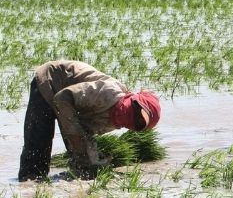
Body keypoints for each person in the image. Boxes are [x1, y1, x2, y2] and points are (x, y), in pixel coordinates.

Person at [18, 60, 161, 181]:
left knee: (83, 164)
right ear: (133, 99)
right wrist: (75, 134)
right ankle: (28, 185)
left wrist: (92, 159)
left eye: (139, 123)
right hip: (49, 81)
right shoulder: (108, 93)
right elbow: (62, 98)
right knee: (38, 146)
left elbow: (86, 131)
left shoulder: (114, 121)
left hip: (71, 105)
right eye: (136, 111)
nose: (134, 118)